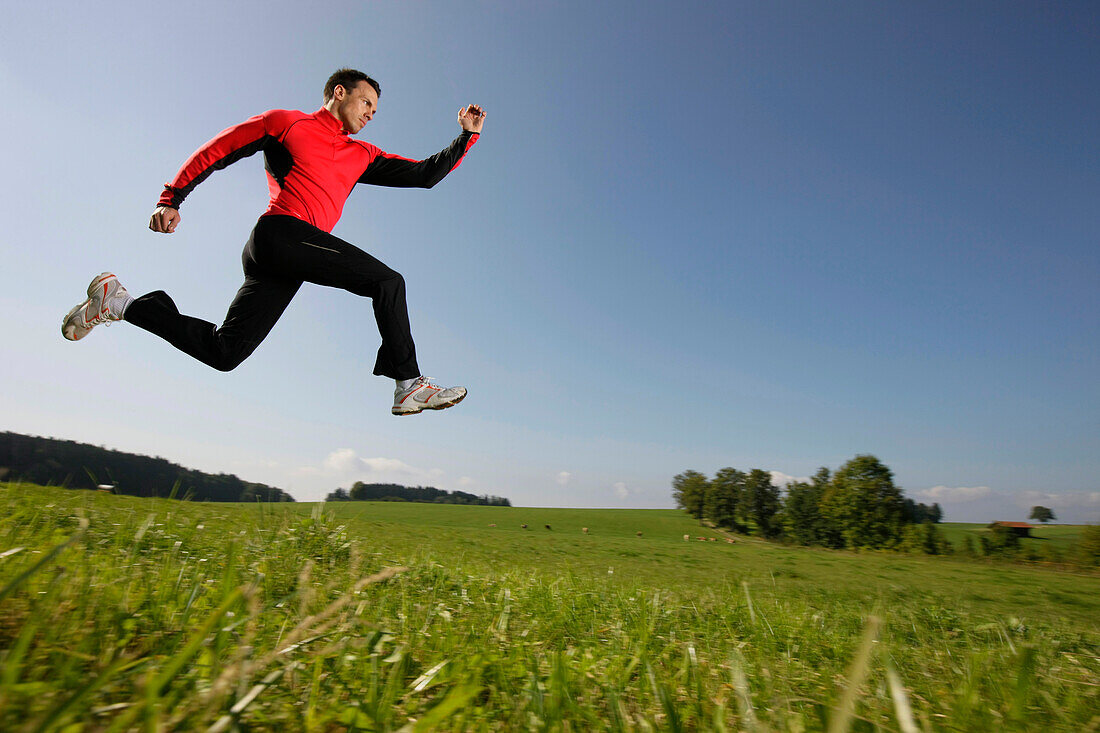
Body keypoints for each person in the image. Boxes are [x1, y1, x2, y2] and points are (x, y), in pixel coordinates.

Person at [62, 68, 484, 416]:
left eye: (376, 108)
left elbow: (424, 175)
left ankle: (119, 303)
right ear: (339, 93)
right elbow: (219, 148)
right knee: (388, 282)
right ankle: (408, 383)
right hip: (281, 235)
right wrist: (172, 197)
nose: (372, 113)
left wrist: (465, 136)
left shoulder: (363, 155)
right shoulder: (287, 123)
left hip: (290, 258)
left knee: (225, 353)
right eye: (366, 102)